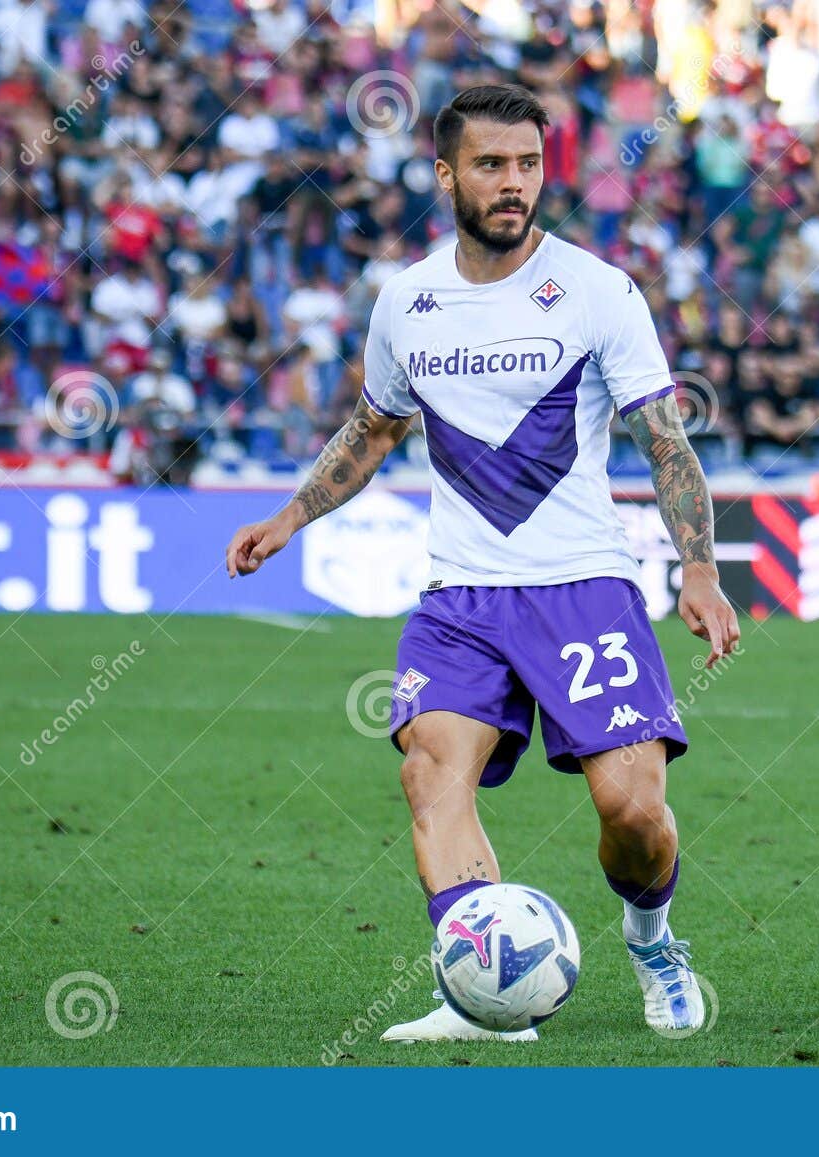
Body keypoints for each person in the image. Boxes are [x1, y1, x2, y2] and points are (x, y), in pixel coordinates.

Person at [224, 85, 739, 1043]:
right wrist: (292, 515)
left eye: (529, 165)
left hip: (584, 585)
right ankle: (490, 996)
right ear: (446, 174)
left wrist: (698, 570)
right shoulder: (407, 302)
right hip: (460, 595)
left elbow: (666, 442)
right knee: (431, 775)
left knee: (632, 810)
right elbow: (374, 429)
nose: (514, 184)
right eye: (493, 165)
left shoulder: (597, 290)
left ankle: (653, 939)